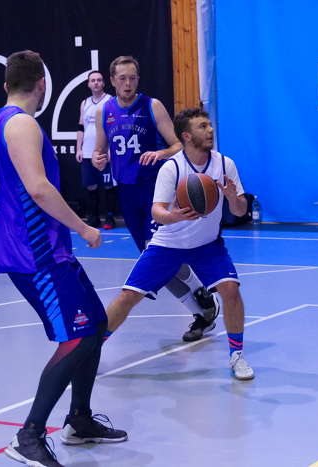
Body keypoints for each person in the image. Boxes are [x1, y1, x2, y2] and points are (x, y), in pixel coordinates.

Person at [0, 51, 127, 466]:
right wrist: (83, 227)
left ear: (6, 84)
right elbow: (39, 188)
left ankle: (79, 419)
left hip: (46, 249)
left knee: (96, 324)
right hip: (35, 253)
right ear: (42, 84)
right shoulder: (21, 123)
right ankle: (28, 436)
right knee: (77, 337)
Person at [102, 107, 254, 380]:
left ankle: (237, 356)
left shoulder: (225, 164)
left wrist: (233, 198)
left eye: (209, 125)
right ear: (186, 136)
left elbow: (241, 211)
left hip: (207, 244)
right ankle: (90, 351)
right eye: (202, 126)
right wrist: (173, 216)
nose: (210, 130)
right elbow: (156, 211)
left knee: (231, 290)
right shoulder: (172, 167)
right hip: (168, 244)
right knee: (128, 296)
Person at [92, 56, 219, 343]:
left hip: (154, 190)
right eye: (122, 78)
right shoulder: (103, 111)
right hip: (126, 194)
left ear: (138, 79)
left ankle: (200, 294)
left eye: (132, 78)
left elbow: (178, 145)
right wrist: (98, 160)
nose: (128, 83)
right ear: (112, 81)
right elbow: (99, 153)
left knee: (157, 255)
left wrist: (160, 153)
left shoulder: (152, 106)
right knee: (154, 259)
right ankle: (202, 310)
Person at [76, 71, 117, 229]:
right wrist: (79, 149)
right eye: (93, 80)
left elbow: (115, 127)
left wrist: (111, 149)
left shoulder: (110, 101)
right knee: (91, 185)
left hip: (104, 151)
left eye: (99, 80)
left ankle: (110, 218)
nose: (96, 82)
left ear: (104, 83)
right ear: (88, 84)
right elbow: (81, 126)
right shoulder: (85, 103)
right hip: (87, 152)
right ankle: (94, 218)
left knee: (109, 185)